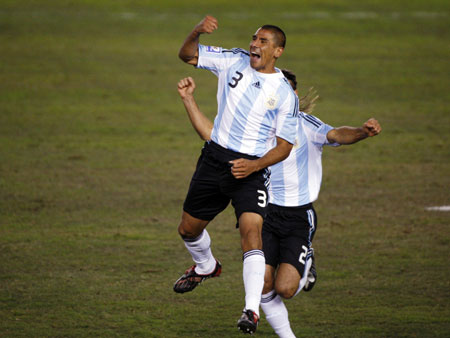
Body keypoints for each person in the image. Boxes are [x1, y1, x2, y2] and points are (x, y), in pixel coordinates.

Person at [176, 71, 382, 338]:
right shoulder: (250, 127)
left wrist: (362, 132)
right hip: (265, 212)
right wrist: (189, 100)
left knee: (285, 288)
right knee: (262, 285)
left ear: (291, 96)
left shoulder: (306, 125)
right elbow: (212, 135)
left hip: (298, 216)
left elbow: (337, 134)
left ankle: (306, 257)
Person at [174, 15, 299, 334]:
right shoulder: (232, 60)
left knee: (251, 233)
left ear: (278, 52)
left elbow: (284, 147)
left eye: (263, 41)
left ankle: (250, 310)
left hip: (252, 169)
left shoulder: (285, 93)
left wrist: (254, 167)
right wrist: (196, 31)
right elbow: (188, 55)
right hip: (214, 159)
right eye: (254, 38)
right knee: (188, 230)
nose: (254, 44)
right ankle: (206, 266)